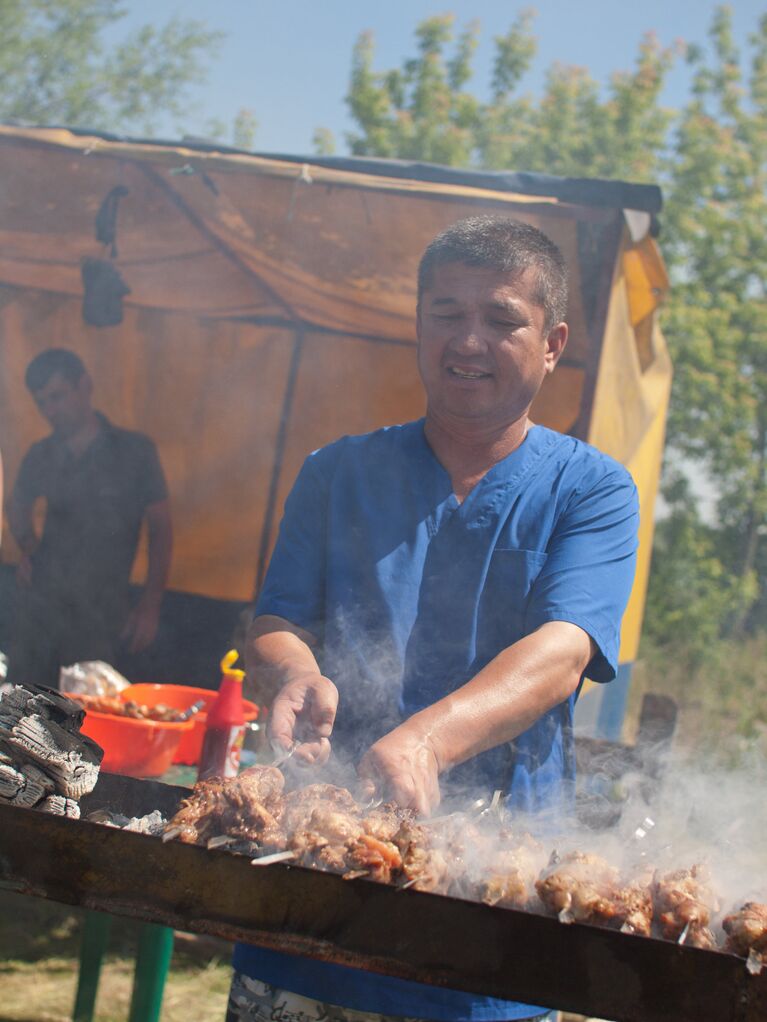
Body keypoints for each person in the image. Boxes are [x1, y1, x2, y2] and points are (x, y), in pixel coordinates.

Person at [230, 217, 640, 1022]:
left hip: (489, 913)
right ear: (417, 327)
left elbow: (565, 650)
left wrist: (426, 739)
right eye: (446, 314)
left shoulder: (590, 491)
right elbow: (277, 616)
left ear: (552, 342)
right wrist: (296, 671)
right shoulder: (336, 471)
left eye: (501, 320)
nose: (469, 340)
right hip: (312, 888)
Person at [7, 348, 172, 686]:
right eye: (42, 403)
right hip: (40, 607)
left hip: (103, 613)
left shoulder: (135, 451)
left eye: (57, 397)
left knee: (86, 709)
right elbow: (16, 502)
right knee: (20, 703)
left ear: (85, 386)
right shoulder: (42, 454)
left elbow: (161, 528)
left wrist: (151, 603)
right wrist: (27, 544)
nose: (50, 411)